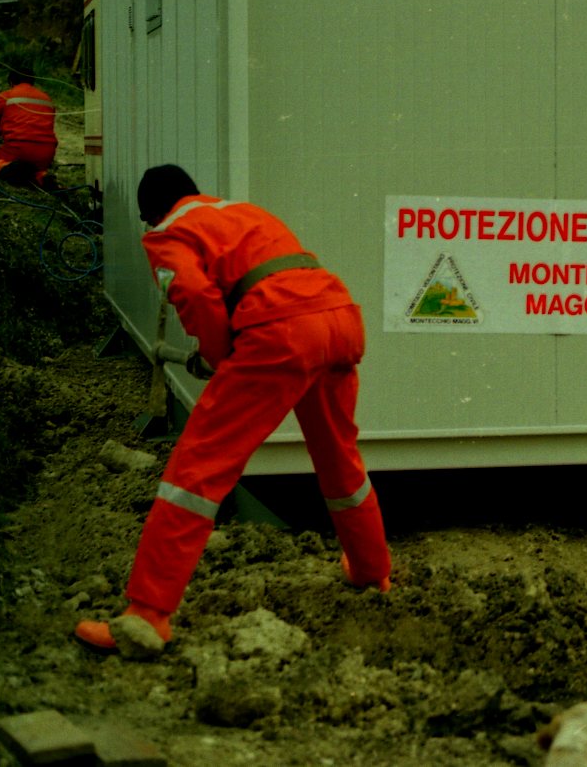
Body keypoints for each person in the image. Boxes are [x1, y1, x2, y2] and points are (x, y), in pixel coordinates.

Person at [75, 165, 391, 651]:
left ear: (151, 213)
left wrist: (220, 356)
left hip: (281, 333)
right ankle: (371, 572)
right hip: (339, 319)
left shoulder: (165, 232)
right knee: (338, 456)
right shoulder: (243, 212)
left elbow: (195, 294)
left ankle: (146, 615)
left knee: (196, 468)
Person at [0, 66, 58, 187]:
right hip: (46, 154)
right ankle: (41, 176)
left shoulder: (8, 95)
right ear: (32, 82)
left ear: (11, 82)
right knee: (35, 169)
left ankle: (6, 167)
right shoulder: (47, 99)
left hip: (18, 149)